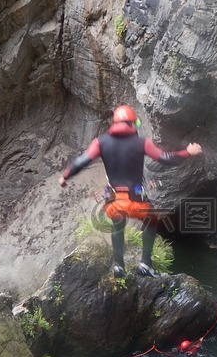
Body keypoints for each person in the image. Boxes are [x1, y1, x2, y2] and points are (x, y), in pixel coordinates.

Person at [59, 105, 202, 278]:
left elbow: (82, 161)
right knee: (152, 220)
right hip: (136, 201)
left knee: (117, 223)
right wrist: (188, 152)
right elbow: (165, 159)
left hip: (114, 203)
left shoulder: (101, 142)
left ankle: (119, 266)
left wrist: (65, 176)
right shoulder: (141, 143)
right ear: (132, 124)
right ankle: (145, 264)